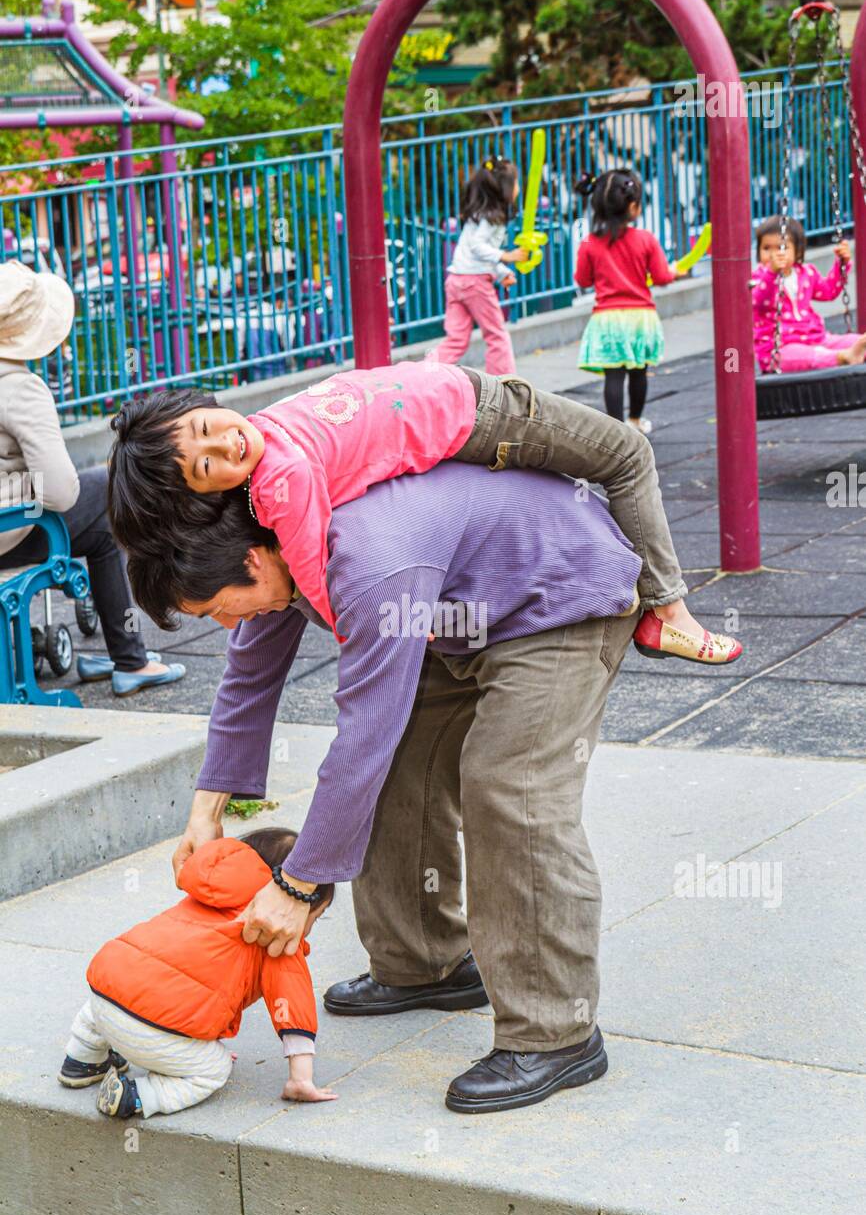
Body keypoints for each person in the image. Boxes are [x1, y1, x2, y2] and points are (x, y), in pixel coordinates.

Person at [119, 374, 726, 1115]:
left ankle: (555, 1033)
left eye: (217, 609)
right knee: (405, 764)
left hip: (555, 597)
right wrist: (205, 814)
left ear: (249, 564)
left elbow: (361, 734)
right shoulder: (266, 536)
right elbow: (249, 685)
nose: (225, 625)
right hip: (460, 617)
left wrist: (299, 884)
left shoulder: (365, 559)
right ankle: (424, 965)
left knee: (509, 786)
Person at [107, 363, 742, 669]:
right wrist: (359, 632)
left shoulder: (268, 437)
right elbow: (314, 571)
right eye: (206, 467)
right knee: (628, 452)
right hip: (483, 414)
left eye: (204, 428)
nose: (225, 444)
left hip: (469, 404)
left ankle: (653, 596)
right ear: (206, 495)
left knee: (598, 467)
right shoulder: (283, 477)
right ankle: (669, 611)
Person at [58, 828, 335, 1118]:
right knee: (214, 1069)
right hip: (152, 1031)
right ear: (298, 902)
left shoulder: (209, 893)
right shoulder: (276, 935)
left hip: (104, 996)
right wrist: (300, 1079)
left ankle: (82, 1059)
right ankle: (137, 1096)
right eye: (315, 918)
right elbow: (292, 1003)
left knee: (120, 993)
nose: (309, 929)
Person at [0, 259, 184, 696]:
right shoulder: (19, 388)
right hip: (7, 529)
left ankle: (128, 656)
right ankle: (130, 659)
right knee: (102, 489)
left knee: (100, 530)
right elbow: (62, 494)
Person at [575, 168, 688, 435]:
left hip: (608, 318)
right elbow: (660, 277)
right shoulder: (645, 239)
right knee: (638, 372)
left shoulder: (589, 242)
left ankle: (616, 432)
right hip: (641, 317)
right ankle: (636, 421)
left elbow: (582, 280)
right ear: (633, 206)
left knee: (613, 376)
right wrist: (673, 272)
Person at [427, 156, 529, 375]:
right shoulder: (493, 220)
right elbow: (477, 247)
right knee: (497, 335)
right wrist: (506, 257)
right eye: (517, 183)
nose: (519, 188)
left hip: (456, 281)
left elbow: (477, 256)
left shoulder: (478, 217)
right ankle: (503, 384)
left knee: (456, 339)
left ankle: (426, 373)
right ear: (505, 188)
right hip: (475, 284)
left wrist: (501, 273)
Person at [751, 216, 866, 373]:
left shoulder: (806, 272)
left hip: (816, 338)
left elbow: (828, 292)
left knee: (853, 341)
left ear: (797, 251)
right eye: (766, 248)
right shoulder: (759, 277)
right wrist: (772, 274)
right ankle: (842, 357)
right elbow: (759, 300)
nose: (773, 254)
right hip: (779, 348)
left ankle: (851, 352)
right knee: (808, 356)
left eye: (781, 248)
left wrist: (842, 264)